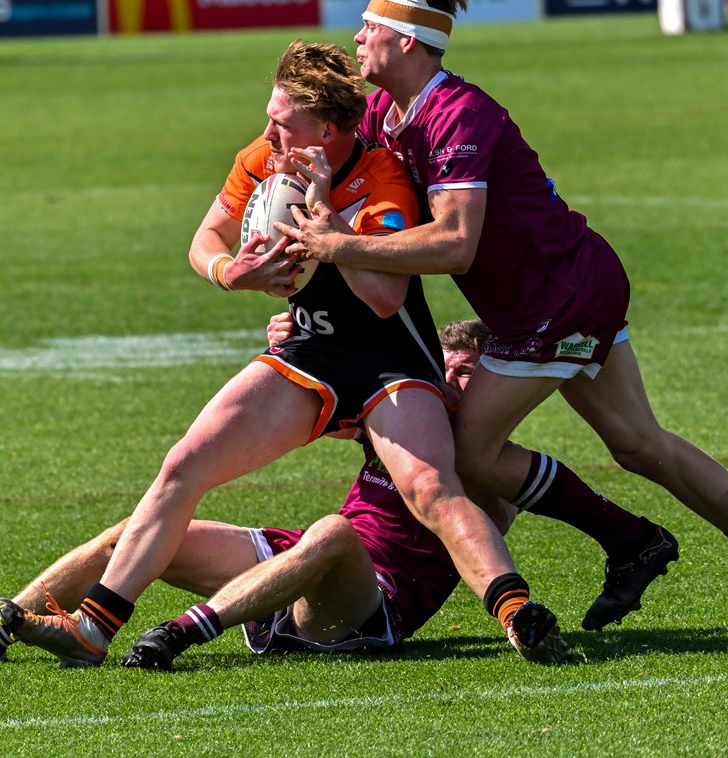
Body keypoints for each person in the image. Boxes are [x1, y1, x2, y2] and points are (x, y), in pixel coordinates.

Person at [0, 40, 572, 669]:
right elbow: (206, 239)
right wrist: (230, 272)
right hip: (309, 352)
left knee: (430, 485)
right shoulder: (261, 158)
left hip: (390, 363)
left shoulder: (380, 177)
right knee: (184, 464)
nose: (268, 130)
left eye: (282, 121)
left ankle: (514, 610)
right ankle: (80, 628)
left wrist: (326, 221)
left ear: (326, 131)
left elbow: (385, 300)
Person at [275, 0, 728, 638]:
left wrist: (338, 247)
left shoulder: (461, 115)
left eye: (369, 26)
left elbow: (454, 243)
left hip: (560, 299)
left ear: (408, 41)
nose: (357, 37)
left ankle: (630, 540)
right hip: (555, 293)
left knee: (471, 455)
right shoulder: (379, 115)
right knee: (640, 446)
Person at [0, 319, 516, 669]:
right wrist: (297, 343)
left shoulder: (495, 465)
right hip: (298, 562)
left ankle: (184, 631)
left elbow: (482, 512)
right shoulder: (403, 424)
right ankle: (8, 620)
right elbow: (324, 396)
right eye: (444, 366)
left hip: (366, 604)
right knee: (133, 534)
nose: (450, 378)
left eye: (467, 372)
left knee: (333, 531)